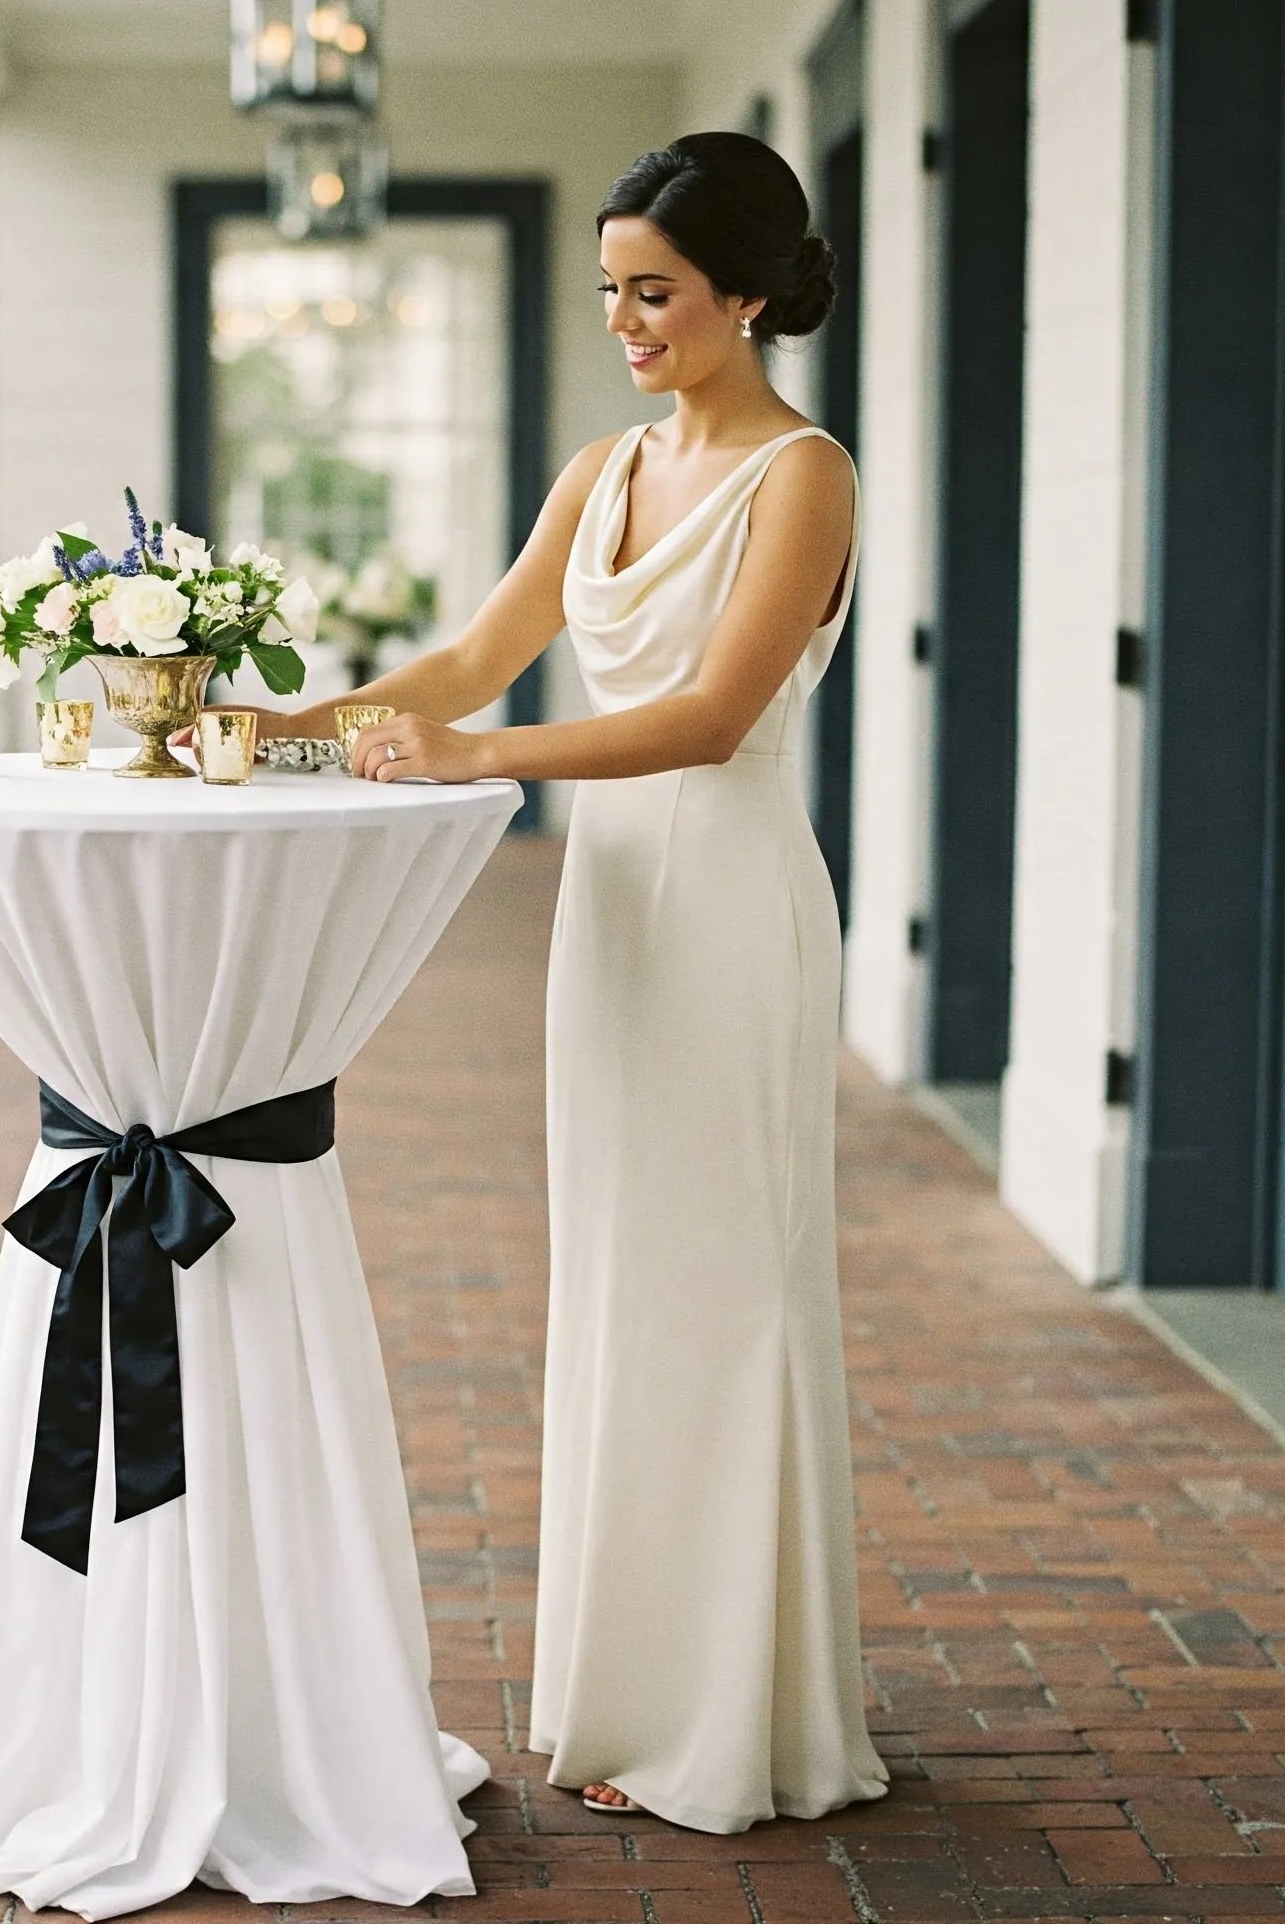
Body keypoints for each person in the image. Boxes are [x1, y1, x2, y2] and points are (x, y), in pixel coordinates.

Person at [242, 131, 890, 1830]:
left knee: (726, 1288)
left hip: (732, 904)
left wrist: (474, 760)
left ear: (746, 292)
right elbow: (468, 655)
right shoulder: (602, 472)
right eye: (609, 290)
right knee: (616, 1284)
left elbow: (713, 718)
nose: (627, 320)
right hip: (608, 917)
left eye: (656, 291)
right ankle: (626, 1703)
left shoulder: (802, 473)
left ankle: (736, 1721)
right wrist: (280, 731)